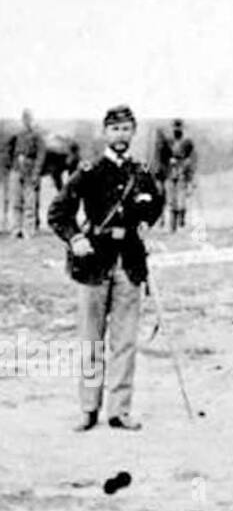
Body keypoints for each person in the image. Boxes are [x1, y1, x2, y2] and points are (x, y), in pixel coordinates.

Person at [47, 105, 164, 431]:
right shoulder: (89, 172)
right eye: (115, 129)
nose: (121, 135)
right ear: (105, 133)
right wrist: (74, 239)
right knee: (91, 341)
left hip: (129, 265)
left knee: (125, 342)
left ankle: (119, 410)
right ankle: (88, 408)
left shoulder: (142, 173)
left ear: (133, 132)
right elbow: (58, 212)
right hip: (94, 266)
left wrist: (144, 221)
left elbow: (156, 203)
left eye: (126, 129)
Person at [10, 109, 47, 238]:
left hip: (30, 171)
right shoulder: (17, 135)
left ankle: (28, 230)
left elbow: (41, 155)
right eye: (24, 119)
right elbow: (9, 151)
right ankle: (16, 229)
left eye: (29, 119)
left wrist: (36, 172)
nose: (26, 121)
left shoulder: (37, 136)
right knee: (15, 201)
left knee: (29, 202)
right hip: (16, 170)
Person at [157, 119, 196, 232]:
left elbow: (189, 157)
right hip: (170, 173)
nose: (176, 130)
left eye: (179, 128)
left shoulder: (187, 142)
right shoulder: (168, 142)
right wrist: (168, 162)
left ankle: (181, 218)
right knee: (171, 200)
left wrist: (187, 171)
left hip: (182, 172)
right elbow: (162, 157)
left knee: (181, 199)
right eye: (175, 128)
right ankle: (172, 226)